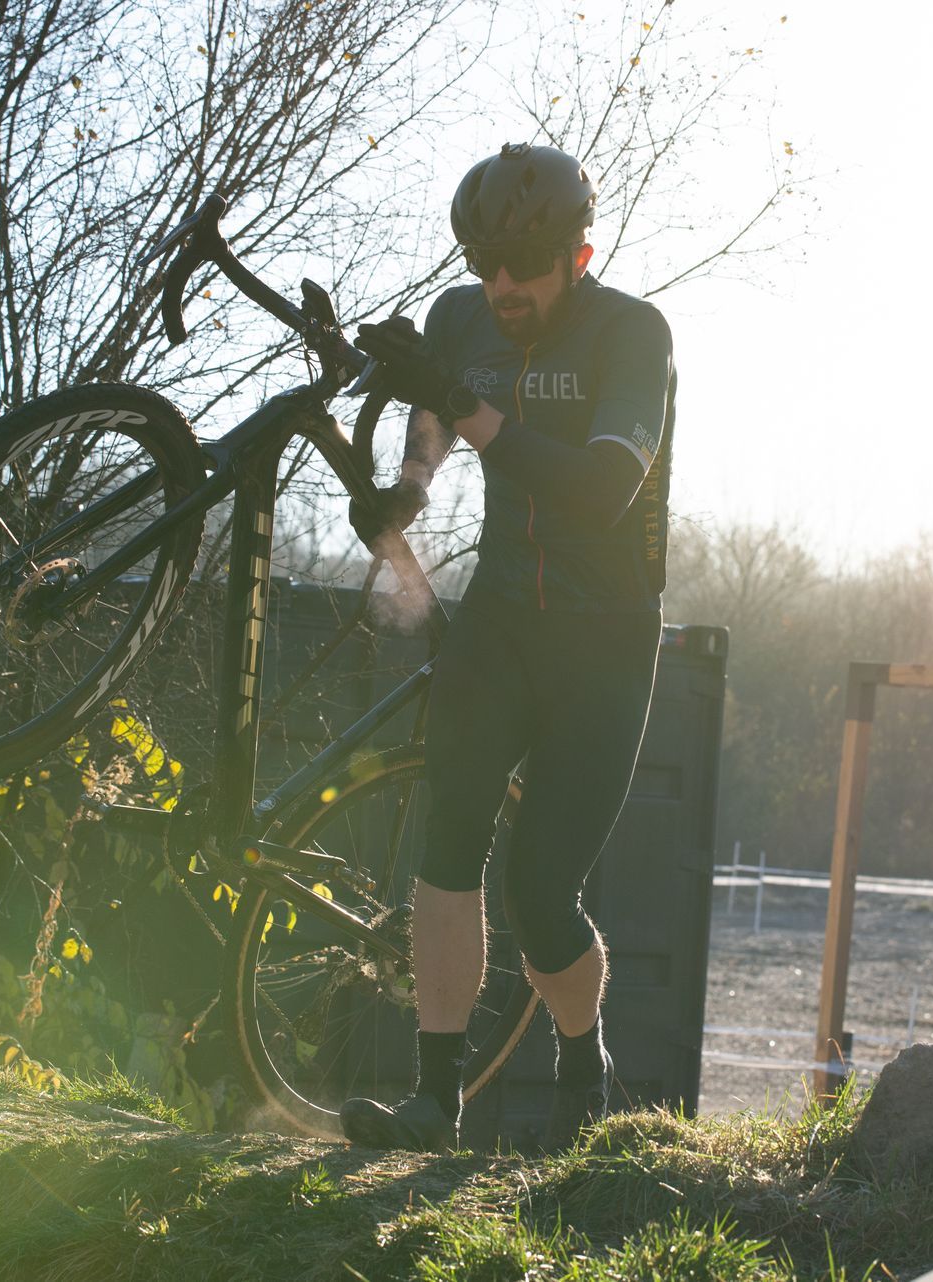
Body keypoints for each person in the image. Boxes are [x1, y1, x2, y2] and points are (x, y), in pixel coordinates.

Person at [337, 142, 676, 1153]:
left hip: (605, 638)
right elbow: (435, 416)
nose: (500, 289)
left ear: (577, 252)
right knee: (447, 847)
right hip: (501, 623)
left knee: (540, 891)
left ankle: (584, 1059)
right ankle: (433, 1101)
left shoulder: (633, 333)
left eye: (520, 267)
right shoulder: (462, 315)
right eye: (484, 265)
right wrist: (408, 485)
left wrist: (472, 412)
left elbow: (600, 488)